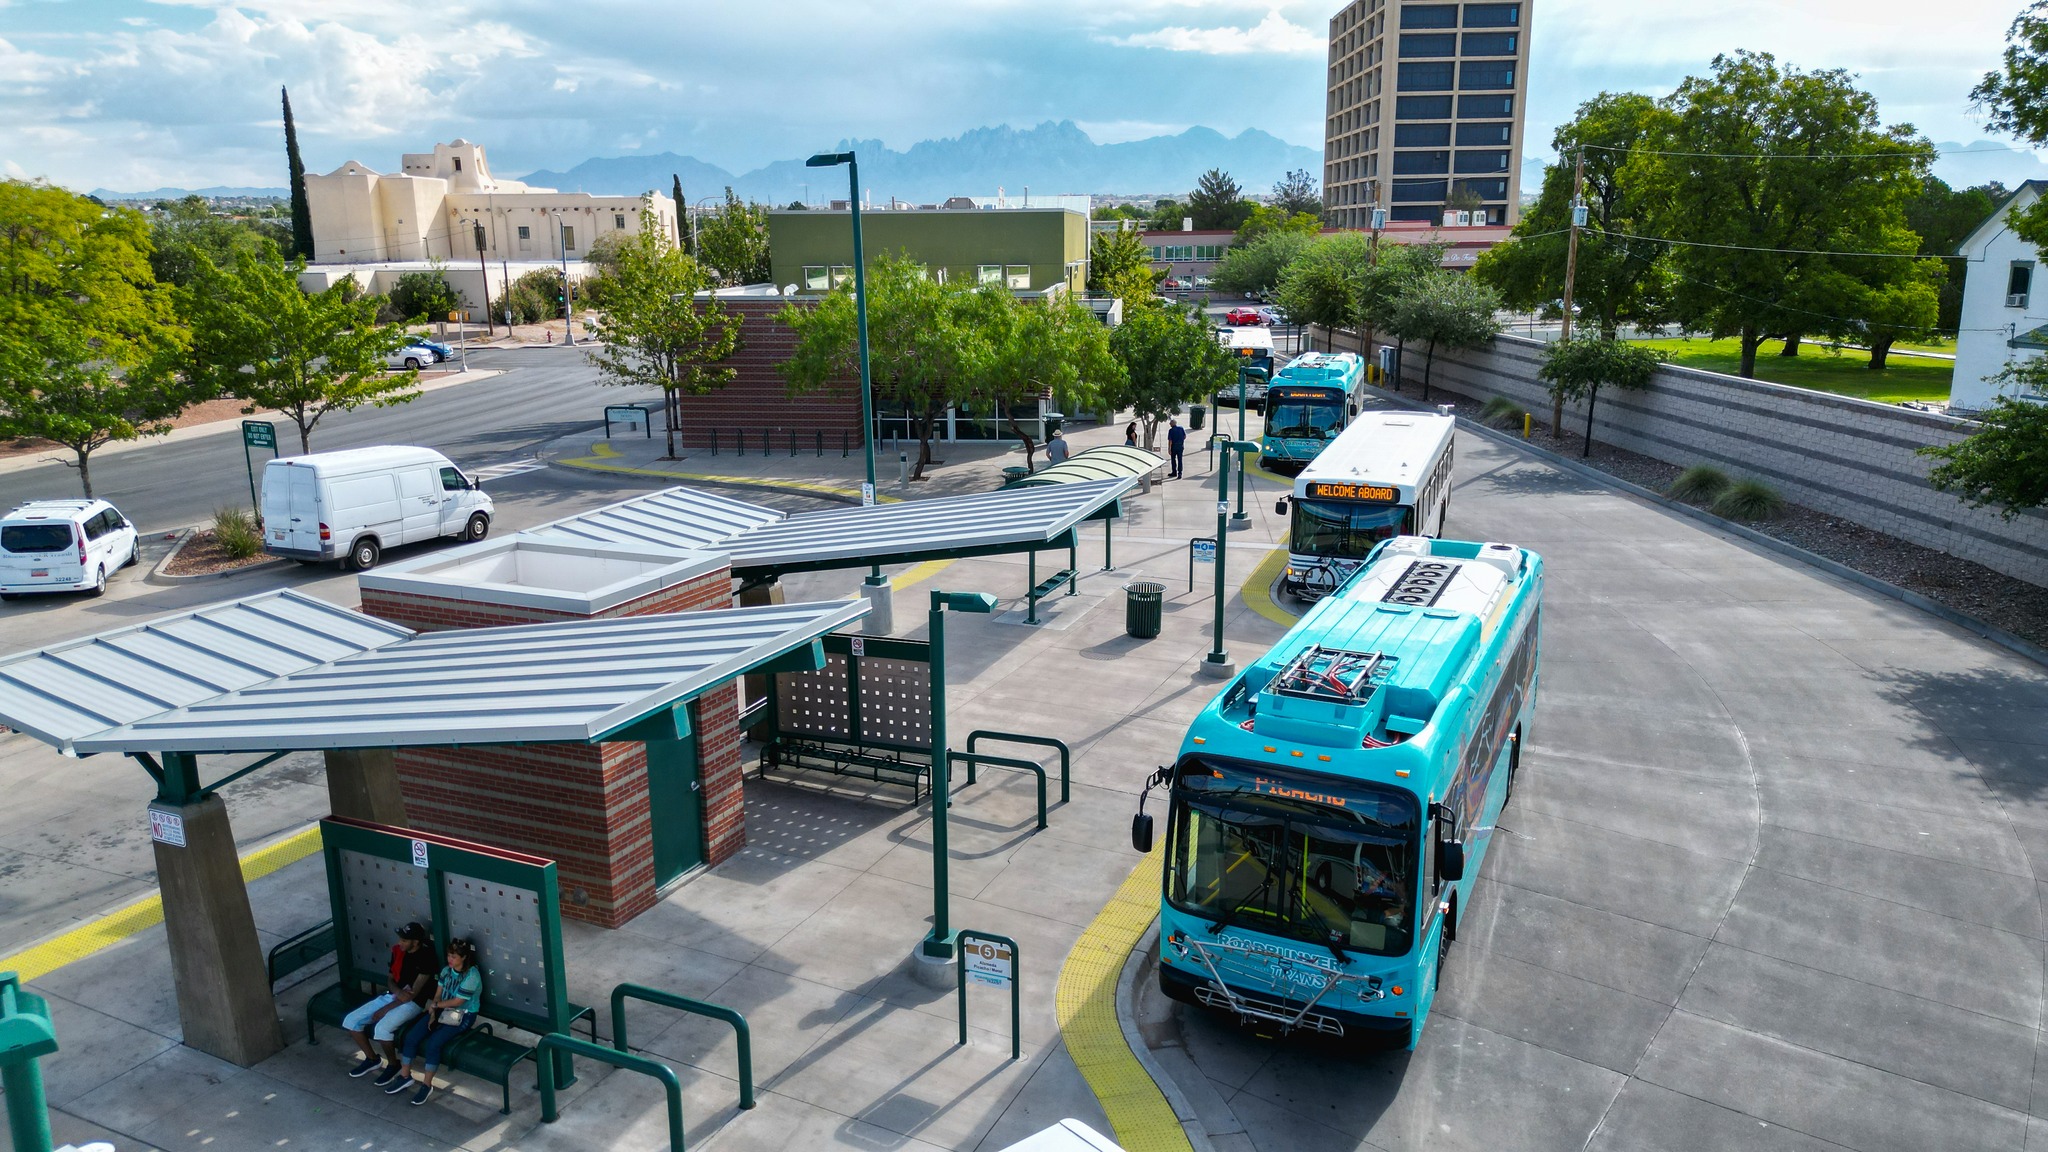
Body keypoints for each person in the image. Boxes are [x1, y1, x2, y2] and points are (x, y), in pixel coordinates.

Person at [385, 938, 483, 1105]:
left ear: (464, 957)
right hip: (442, 1010)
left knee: (433, 1044)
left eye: (453, 956)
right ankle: (405, 1076)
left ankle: (426, 1085)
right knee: (411, 1037)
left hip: (462, 1015)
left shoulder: (472, 975)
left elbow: (458, 1002)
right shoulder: (446, 971)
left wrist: (436, 1006)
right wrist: (433, 1010)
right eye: (449, 956)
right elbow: (438, 993)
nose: (450, 960)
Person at [345, 922, 436, 1081]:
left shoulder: (425, 957)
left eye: (405, 940)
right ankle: (372, 1059)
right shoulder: (398, 951)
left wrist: (386, 1009)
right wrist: (397, 992)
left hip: (412, 1004)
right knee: (351, 1021)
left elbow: (411, 995)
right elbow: (390, 979)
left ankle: (393, 1064)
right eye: (400, 939)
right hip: (393, 995)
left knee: (381, 1029)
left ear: (415, 942)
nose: (400, 943)